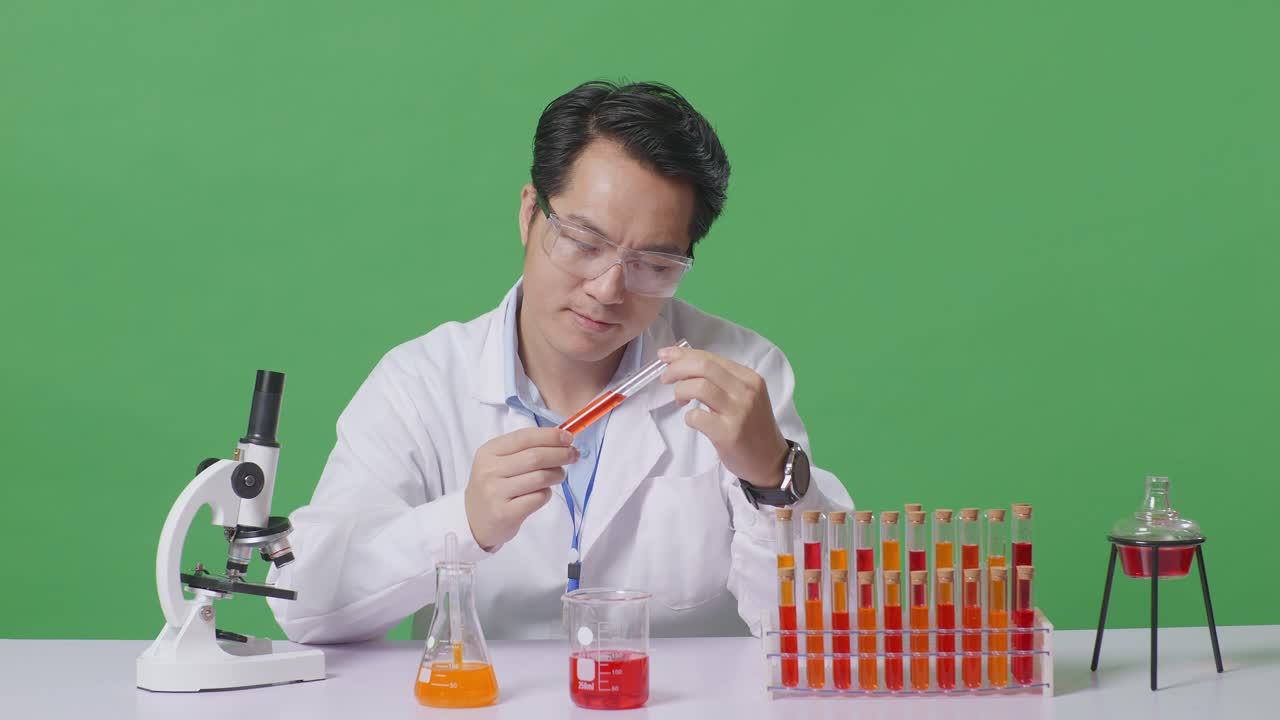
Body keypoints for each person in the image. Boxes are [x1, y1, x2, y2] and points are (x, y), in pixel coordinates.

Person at [267, 81, 852, 642]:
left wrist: (773, 479)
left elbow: (825, 629)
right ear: (529, 213)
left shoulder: (740, 372)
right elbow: (309, 607)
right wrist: (462, 525)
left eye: (653, 262)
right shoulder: (420, 384)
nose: (607, 289)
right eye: (584, 242)